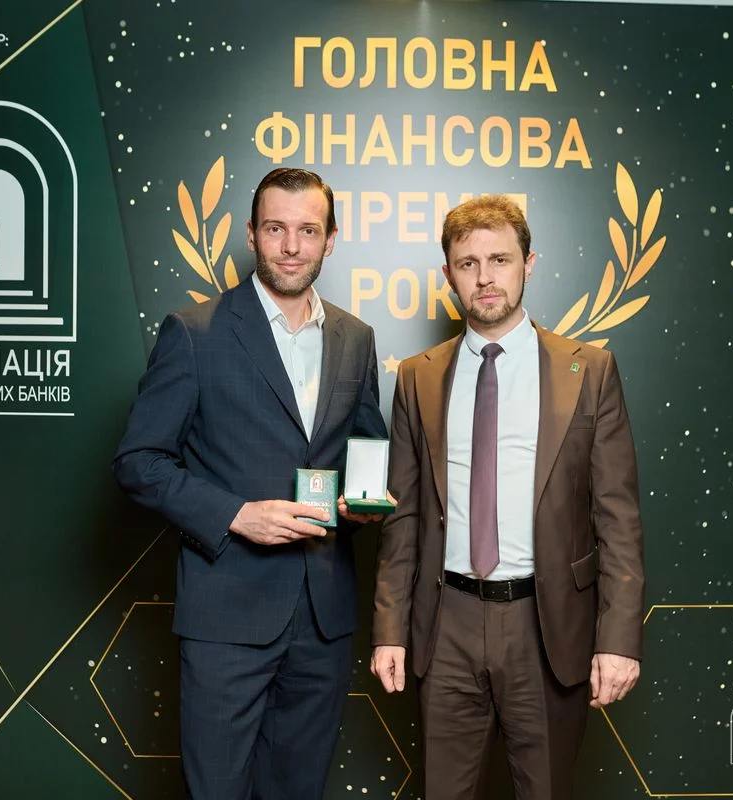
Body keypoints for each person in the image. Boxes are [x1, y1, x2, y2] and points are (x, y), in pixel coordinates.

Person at [113, 167, 388, 799]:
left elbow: (365, 446)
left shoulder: (355, 338)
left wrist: (365, 502)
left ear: (330, 240)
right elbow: (139, 461)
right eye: (275, 229)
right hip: (227, 614)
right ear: (251, 235)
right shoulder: (194, 332)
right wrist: (237, 515)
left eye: (308, 231)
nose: (291, 246)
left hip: (323, 616)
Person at [370, 195, 645, 799]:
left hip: (546, 625)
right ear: (448, 275)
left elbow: (618, 520)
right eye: (468, 264)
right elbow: (403, 517)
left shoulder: (590, 370)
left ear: (529, 264)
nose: (485, 277)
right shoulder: (417, 376)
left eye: (500, 260)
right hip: (446, 622)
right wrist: (389, 629)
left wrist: (619, 640)